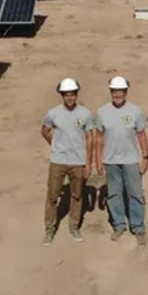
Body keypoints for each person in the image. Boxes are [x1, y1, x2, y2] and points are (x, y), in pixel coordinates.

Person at [94, 76, 148, 245]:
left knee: (135, 193)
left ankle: (138, 227)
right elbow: (98, 138)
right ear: (110, 92)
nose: (117, 94)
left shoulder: (135, 111)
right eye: (114, 91)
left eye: (120, 91)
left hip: (131, 160)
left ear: (126, 92)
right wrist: (98, 159)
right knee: (114, 194)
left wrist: (146, 157)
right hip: (111, 161)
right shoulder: (102, 112)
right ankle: (119, 224)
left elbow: (141, 135)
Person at [41, 77, 94, 246]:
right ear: (62, 96)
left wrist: (89, 163)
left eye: (72, 94)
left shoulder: (85, 114)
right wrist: (54, 144)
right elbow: (45, 130)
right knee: (52, 197)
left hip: (78, 162)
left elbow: (90, 138)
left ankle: (74, 226)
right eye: (66, 95)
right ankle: (50, 229)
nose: (69, 98)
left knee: (77, 196)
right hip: (58, 161)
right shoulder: (53, 113)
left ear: (76, 95)